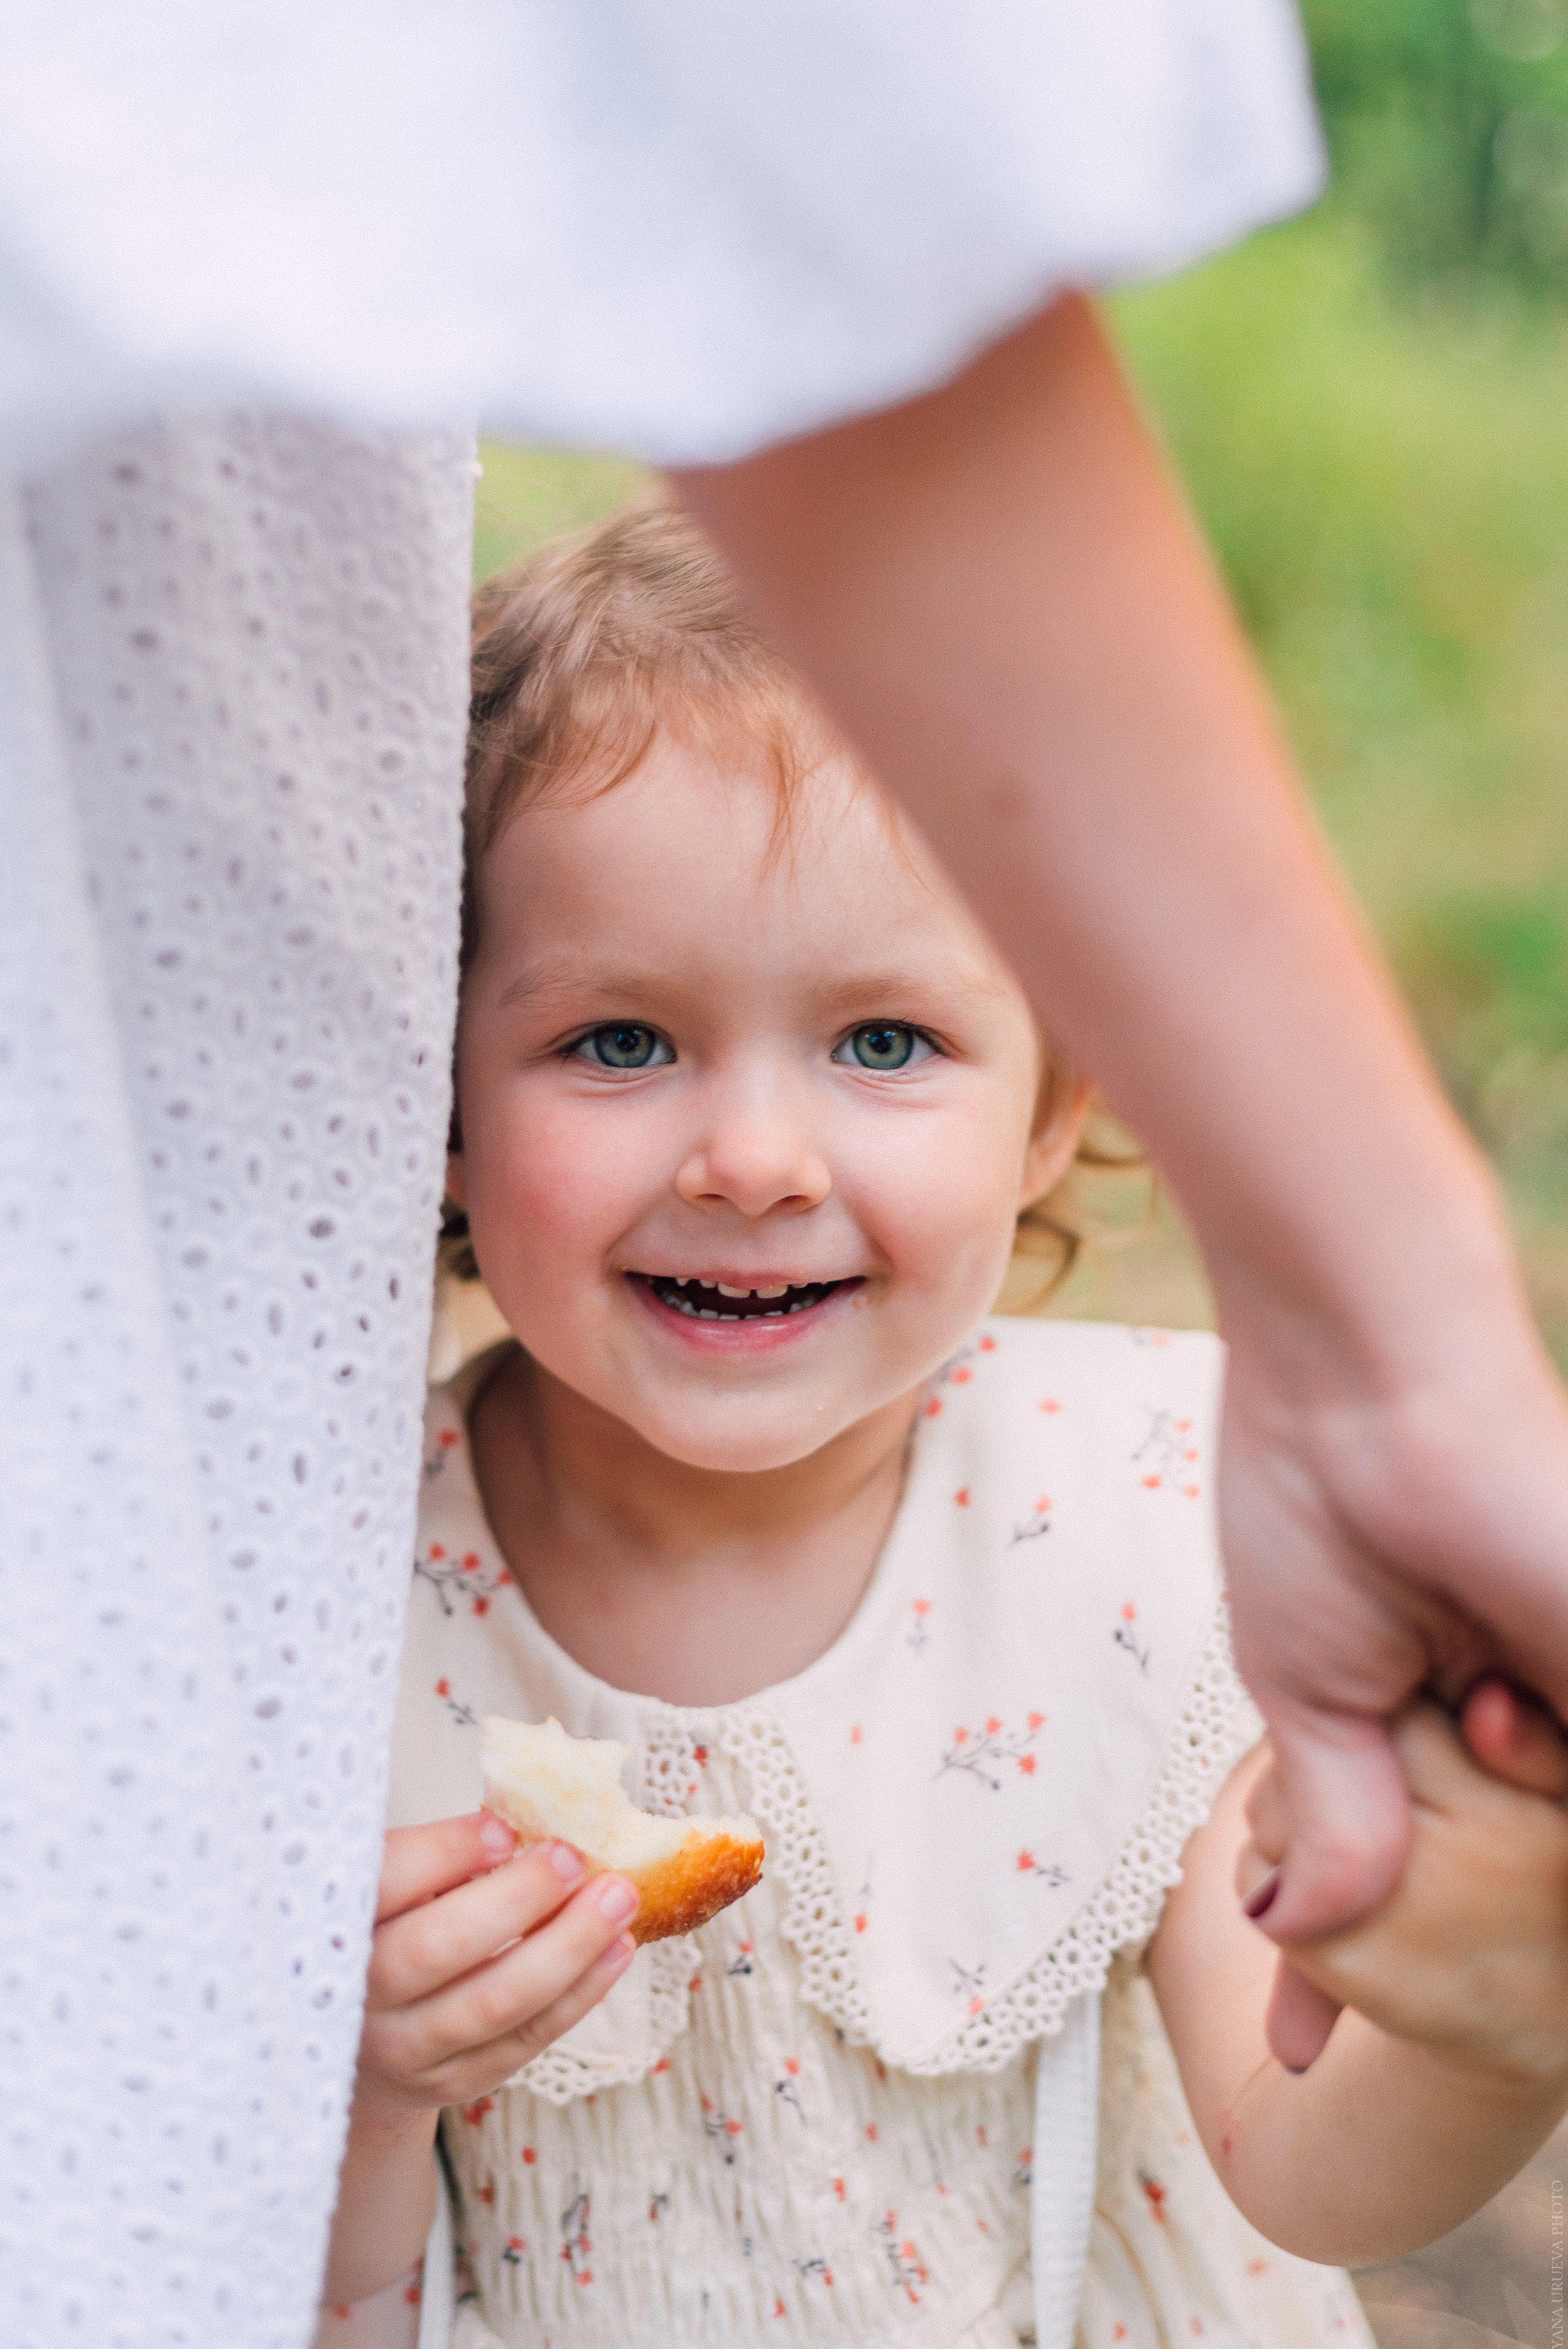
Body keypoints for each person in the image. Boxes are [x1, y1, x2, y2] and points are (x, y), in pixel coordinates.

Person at [316, 508, 1568, 2349]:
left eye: (884, 1043)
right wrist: (368, 2092)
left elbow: (1304, 2163)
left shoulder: (1152, 1513)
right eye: (618, 1042)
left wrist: (1484, 2026)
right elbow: (313, 2288)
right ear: (437, 1093)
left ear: (1053, 1108)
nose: (753, 1161)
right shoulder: (340, 1593)